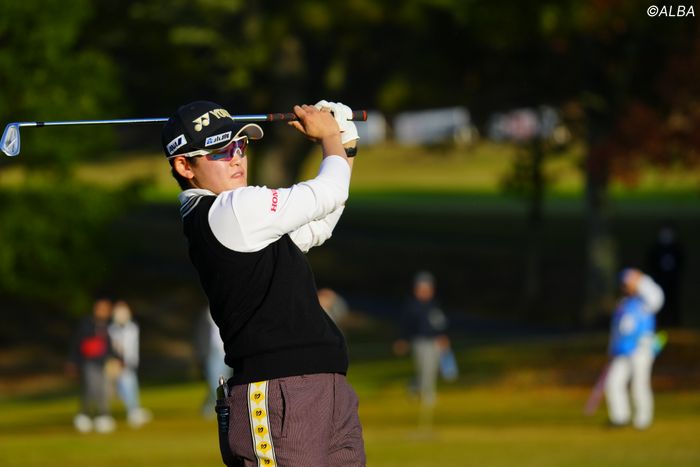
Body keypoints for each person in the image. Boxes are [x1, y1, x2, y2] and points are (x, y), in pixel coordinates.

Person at [162, 100, 364, 466]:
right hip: (279, 393)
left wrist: (343, 146)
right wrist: (330, 137)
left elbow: (318, 223)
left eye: (240, 145)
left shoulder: (239, 217)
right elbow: (326, 193)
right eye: (221, 151)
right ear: (184, 166)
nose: (237, 158)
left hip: (321, 387)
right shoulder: (230, 210)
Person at [604, 268, 664, 430]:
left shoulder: (646, 302)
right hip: (622, 351)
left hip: (641, 349)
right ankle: (619, 417)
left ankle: (642, 419)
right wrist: (611, 349)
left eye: (629, 283)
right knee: (614, 382)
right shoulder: (623, 304)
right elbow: (616, 330)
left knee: (639, 384)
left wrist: (641, 280)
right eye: (624, 284)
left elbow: (657, 295)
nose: (627, 286)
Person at [393, 271, 451, 419]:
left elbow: (441, 324)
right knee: (426, 368)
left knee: (433, 369)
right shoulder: (412, 306)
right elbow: (406, 326)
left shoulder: (435, 305)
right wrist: (402, 340)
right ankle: (428, 396)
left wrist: (443, 337)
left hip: (435, 342)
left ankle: (413, 386)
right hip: (420, 342)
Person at [67, 298, 118, 433]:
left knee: (103, 390)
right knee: (92, 388)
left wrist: (116, 359)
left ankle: (100, 414)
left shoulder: (108, 327)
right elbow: (77, 344)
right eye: (100, 309)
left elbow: (110, 347)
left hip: (104, 363)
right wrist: (72, 361)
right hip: (89, 362)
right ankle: (89, 414)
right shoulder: (86, 325)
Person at [107, 300, 152, 428]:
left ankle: (133, 410)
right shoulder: (111, 329)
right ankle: (132, 411)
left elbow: (131, 347)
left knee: (130, 385)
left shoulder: (132, 327)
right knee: (124, 387)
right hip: (117, 363)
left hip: (130, 362)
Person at [194, 307, 233, 418]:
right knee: (214, 382)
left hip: (226, 351)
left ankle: (216, 406)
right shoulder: (206, 314)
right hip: (213, 352)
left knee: (227, 383)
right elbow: (201, 335)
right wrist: (202, 354)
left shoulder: (227, 311)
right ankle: (209, 408)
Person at [647, 221, 684, 327]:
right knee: (659, 303)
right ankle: (659, 323)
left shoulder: (677, 248)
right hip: (659, 281)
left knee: (673, 303)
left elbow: (681, 262)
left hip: (673, 281)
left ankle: (675, 324)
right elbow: (650, 263)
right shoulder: (656, 249)